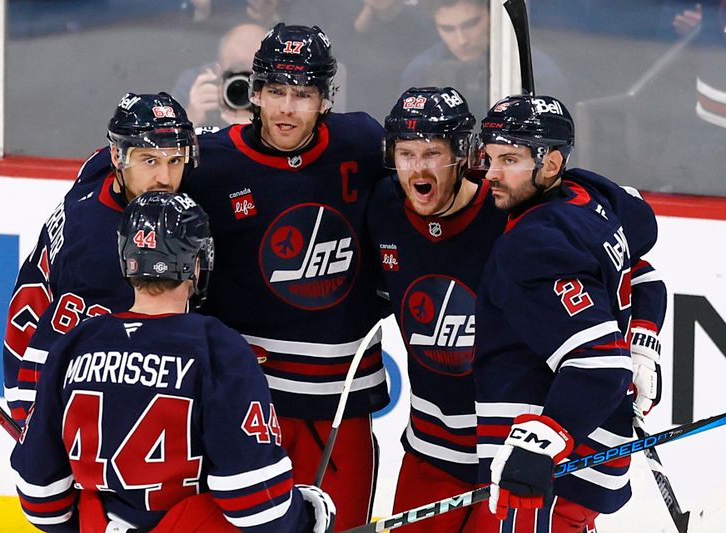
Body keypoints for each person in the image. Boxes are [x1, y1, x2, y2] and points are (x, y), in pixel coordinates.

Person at [10, 191, 337, 533]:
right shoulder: (217, 348)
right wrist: (308, 516)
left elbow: (40, 499)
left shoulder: (74, 345)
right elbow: (256, 506)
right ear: (196, 263)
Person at [185, 23, 389, 531]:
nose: (285, 109)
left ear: (326, 99)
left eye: (303, 94)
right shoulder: (209, 163)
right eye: (275, 90)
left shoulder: (362, 143)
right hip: (248, 403)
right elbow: (119, 176)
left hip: (340, 405)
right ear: (254, 92)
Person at [470, 94, 664, 532]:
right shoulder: (591, 196)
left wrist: (538, 446)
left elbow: (598, 367)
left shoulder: (534, 244)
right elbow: (647, 276)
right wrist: (644, 339)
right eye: (490, 157)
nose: (491, 174)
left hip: (549, 478)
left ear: (552, 164)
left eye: (510, 159)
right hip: (593, 455)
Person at [3, 92, 198, 425]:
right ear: (117, 157)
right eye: (150, 161)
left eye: (175, 160)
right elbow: (46, 361)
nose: (165, 179)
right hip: (37, 382)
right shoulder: (105, 251)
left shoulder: (98, 168)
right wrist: (40, 431)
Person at [366, 86, 506, 532]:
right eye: (406, 153)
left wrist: (638, 341)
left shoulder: (508, 209)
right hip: (429, 453)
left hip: (506, 453)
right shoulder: (384, 207)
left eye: (432, 153)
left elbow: (632, 255)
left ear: (463, 154)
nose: (418, 168)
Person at [400, 0, 570, 118]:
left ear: (492, 15)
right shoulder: (420, 71)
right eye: (447, 29)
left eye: (471, 24)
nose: (462, 40)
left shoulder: (535, 71)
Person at [171, 23, 268, 129]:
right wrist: (192, 117)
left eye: (256, 73)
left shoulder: (283, 92)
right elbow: (164, 141)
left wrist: (261, 128)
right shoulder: (194, 84)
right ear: (218, 70)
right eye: (237, 73)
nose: (247, 86)